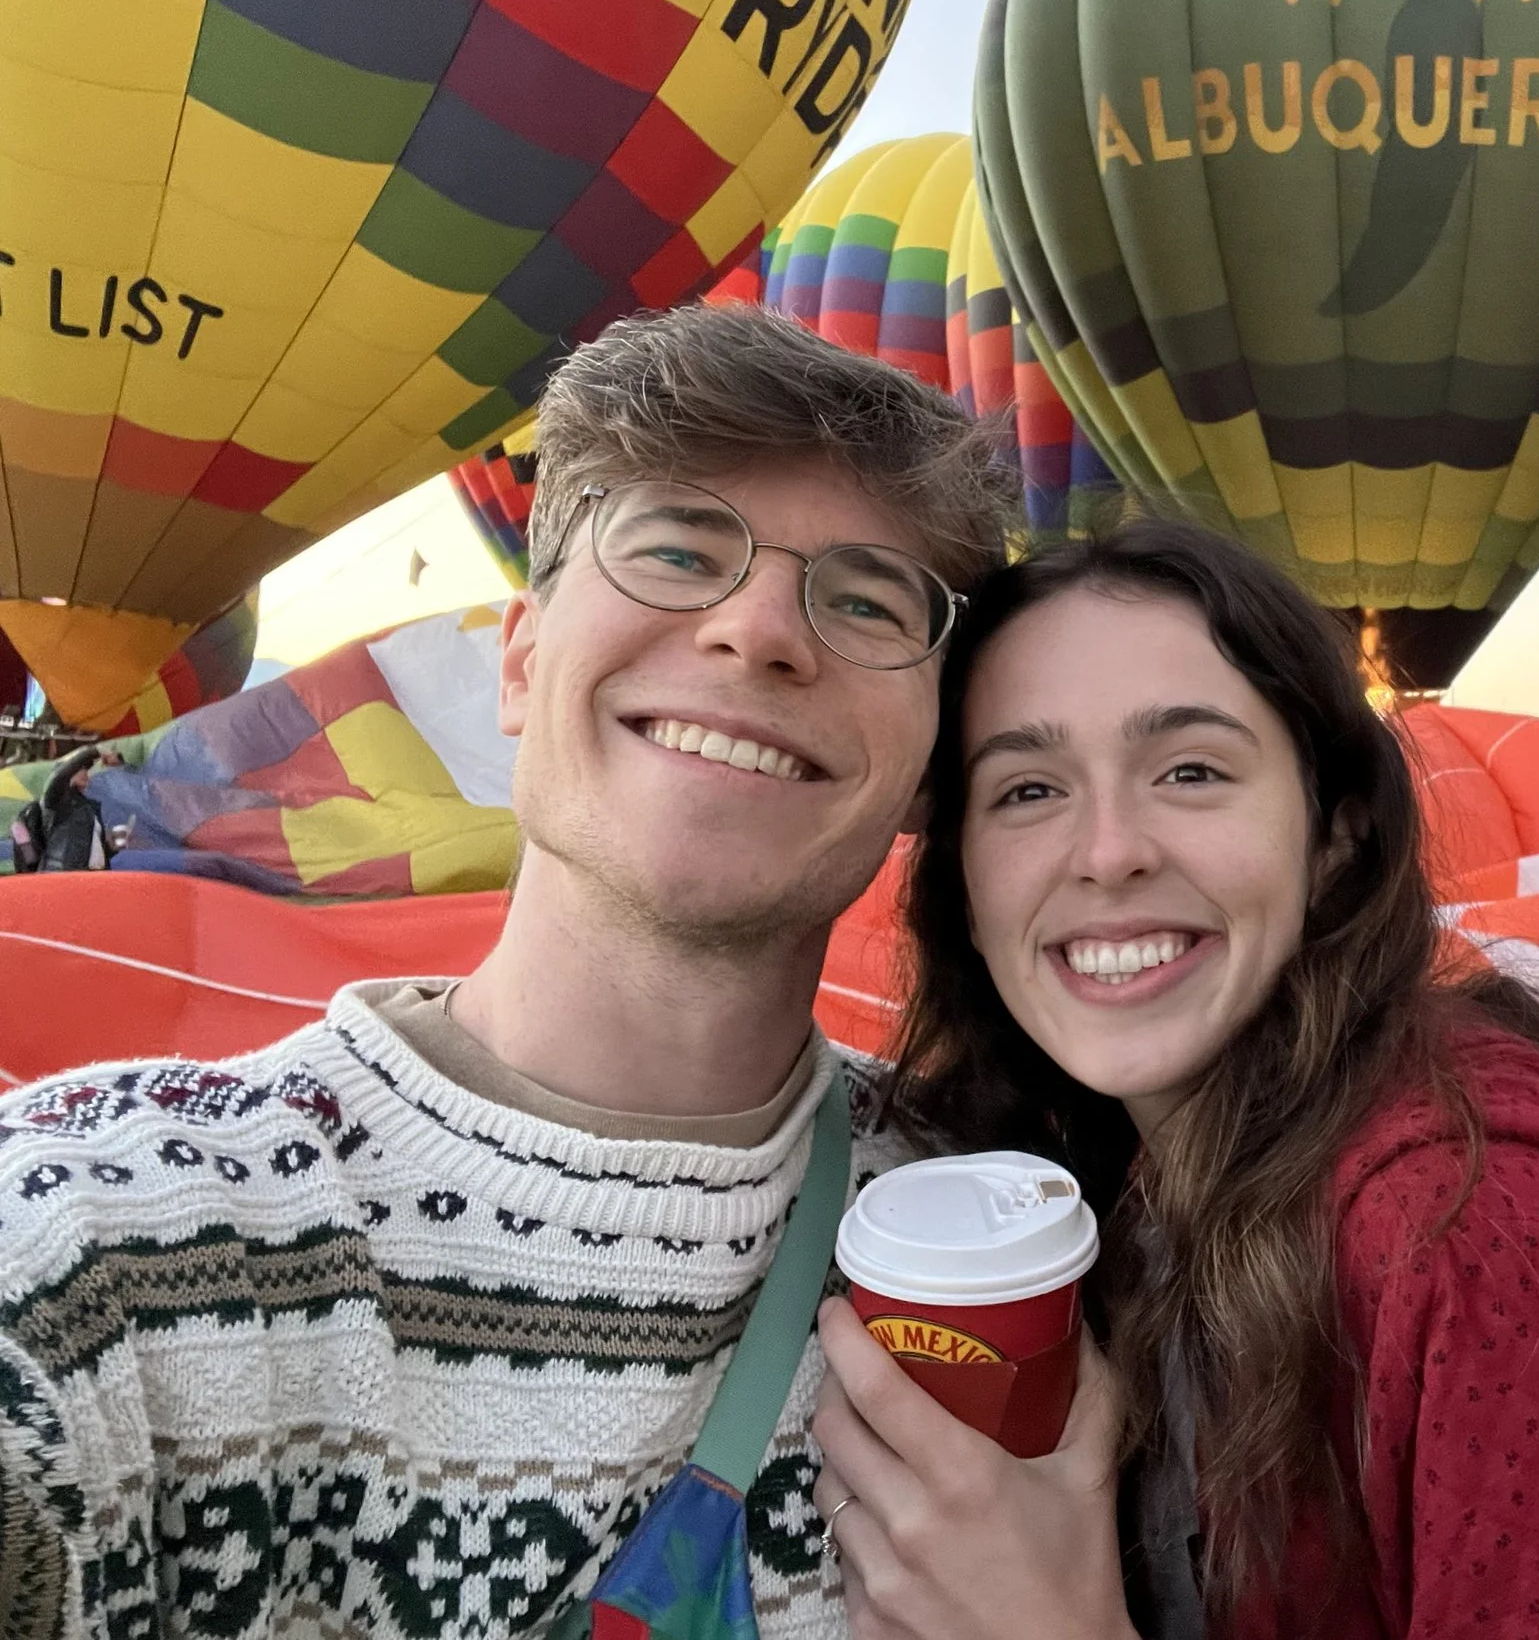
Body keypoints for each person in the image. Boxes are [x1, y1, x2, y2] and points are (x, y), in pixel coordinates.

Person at [0, 303, 1014, 1639]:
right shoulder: (105, 1228)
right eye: (674, 550)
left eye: (869, 597)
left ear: (929, 767)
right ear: (522, 663)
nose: (759, 628)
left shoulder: (991, 1246)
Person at [810, 520, 1539, 1640]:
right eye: (1025, 790)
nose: (1108, 852)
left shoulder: (1487, 1238)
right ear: (960, 875)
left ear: (1335, 835)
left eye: (1191, 771)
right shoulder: (1108, 1179)